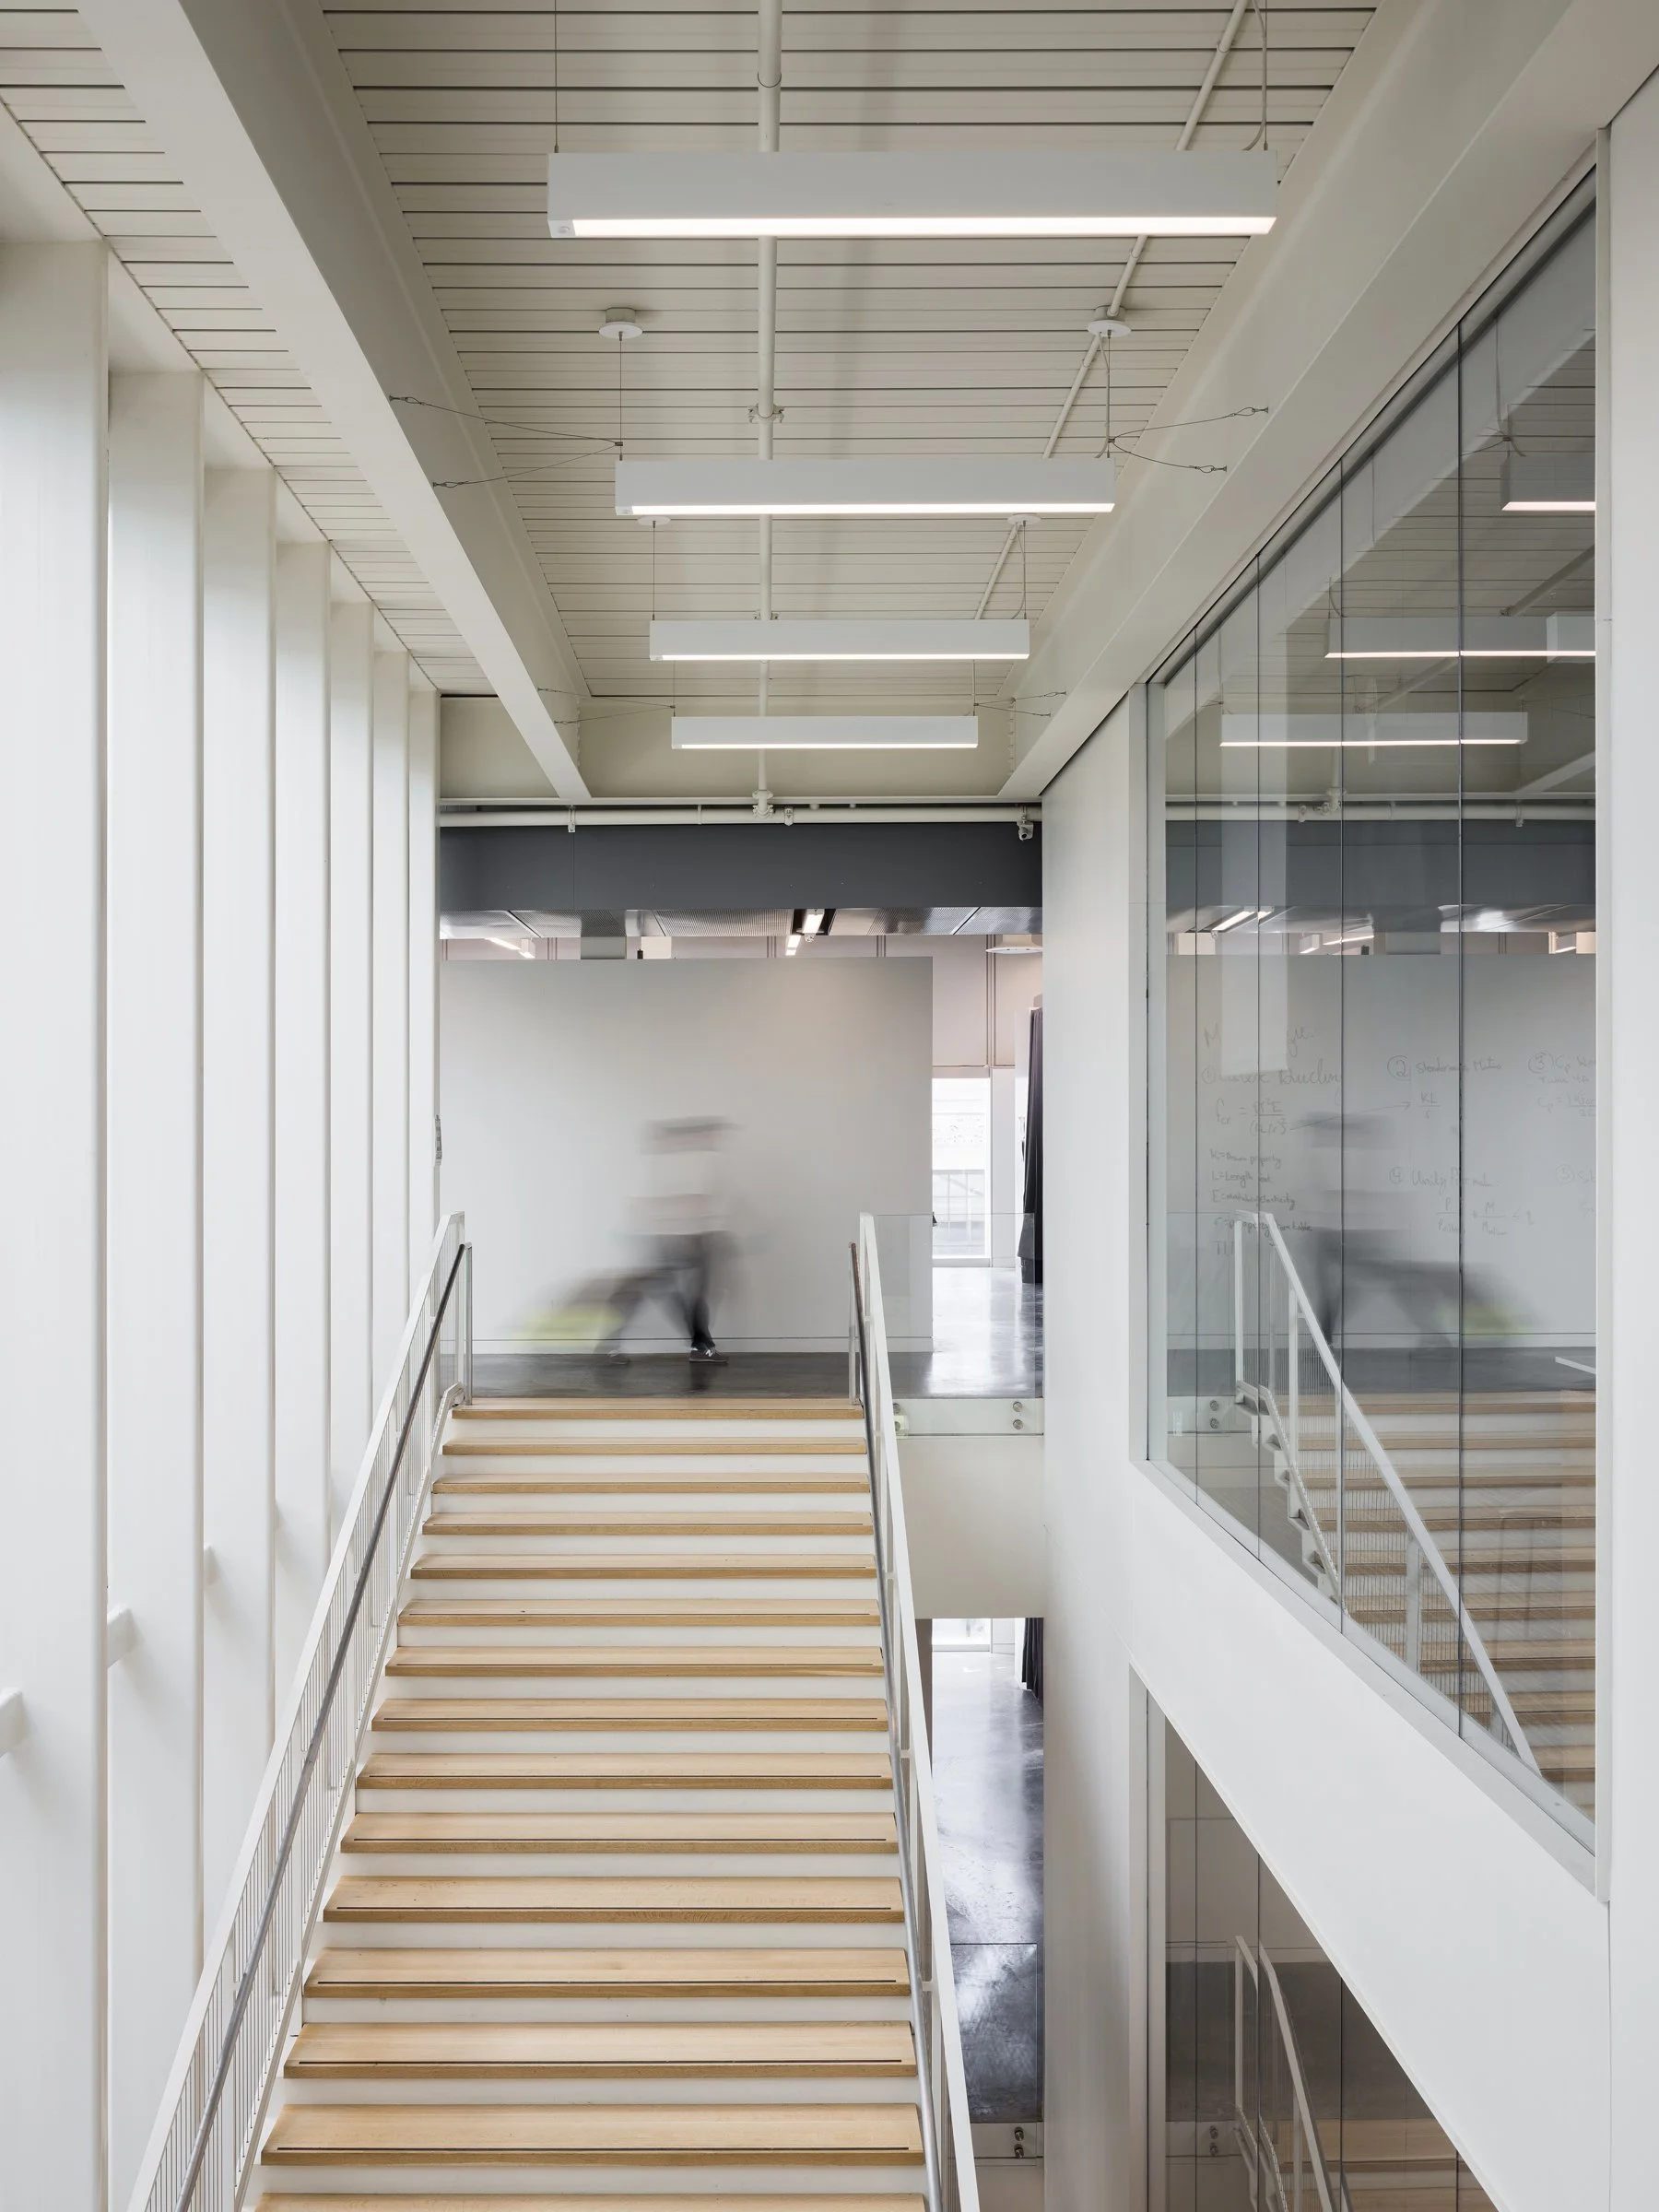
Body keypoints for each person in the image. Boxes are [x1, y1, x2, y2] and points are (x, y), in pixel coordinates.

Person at [604, 1119, 731, 1363]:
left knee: (691, 1295)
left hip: (692, 1238)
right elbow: (644, 1206)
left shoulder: (694, 1163)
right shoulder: (658, 1167)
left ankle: (700, 1345)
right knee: (661, 1294)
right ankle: (613, 1343)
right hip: (669, 1240)